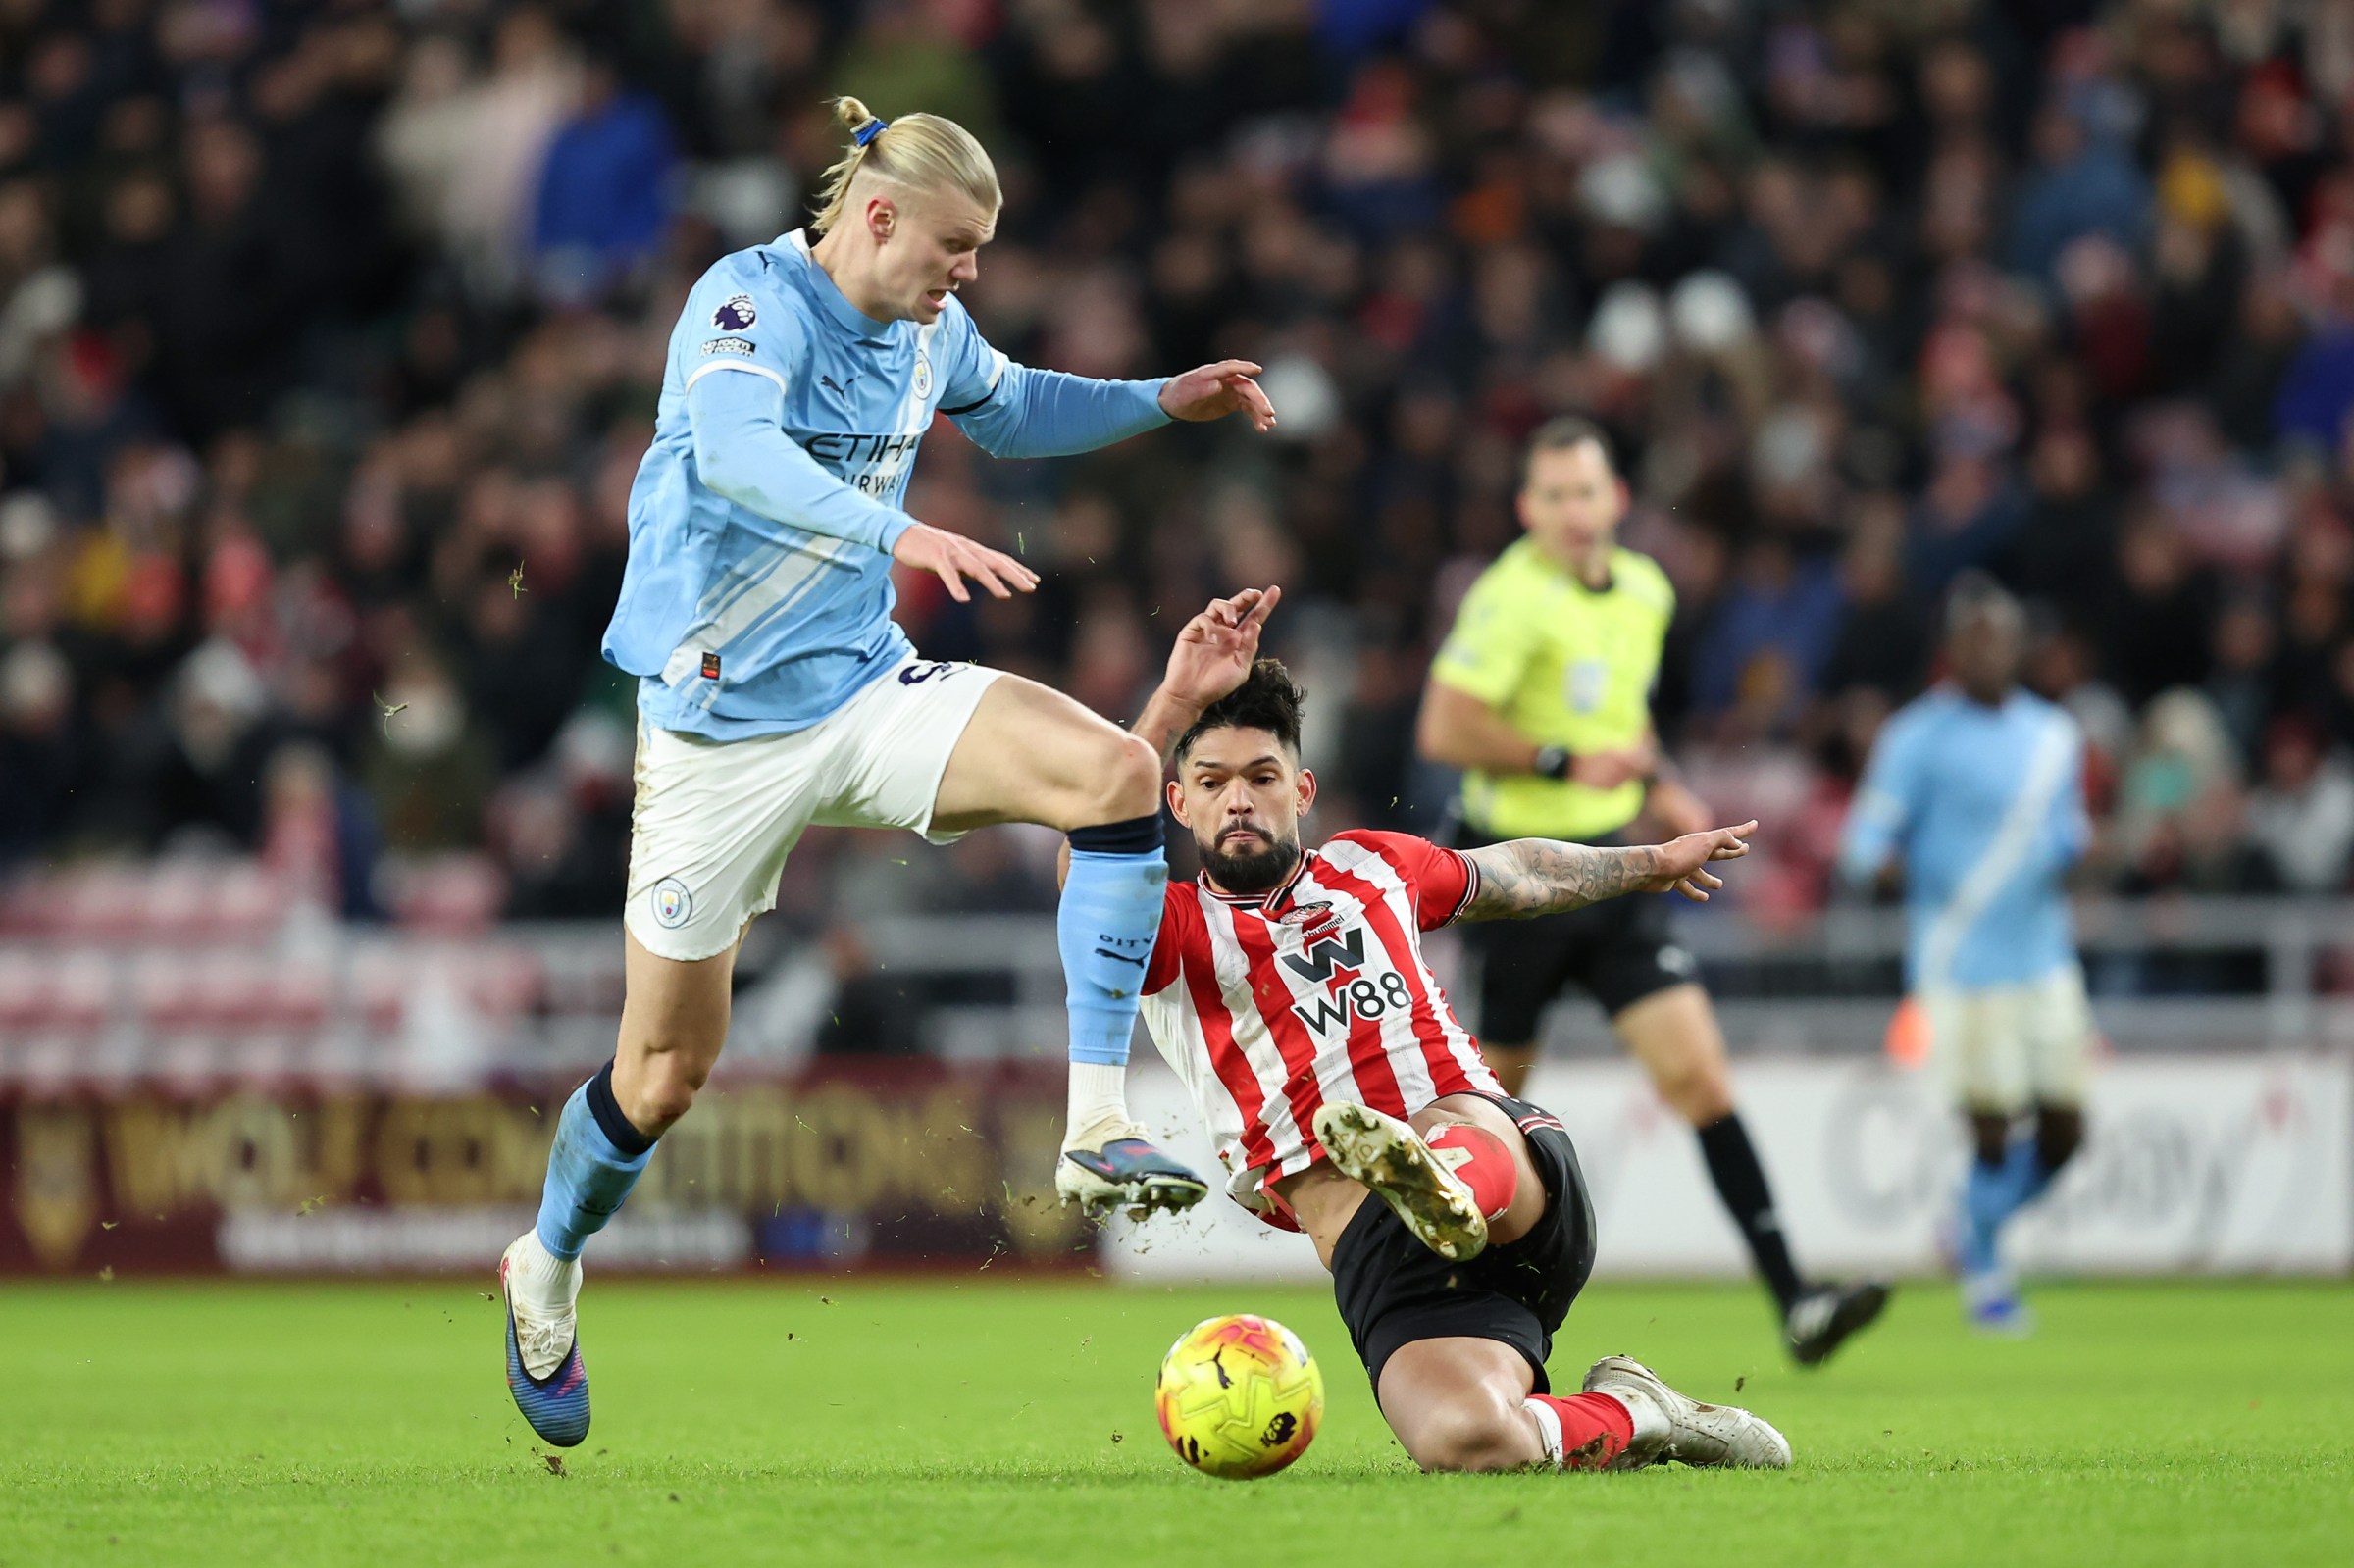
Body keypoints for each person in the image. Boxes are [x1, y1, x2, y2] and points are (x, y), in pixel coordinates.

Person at [500, 97, 1278, 1447]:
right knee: (667, 1069)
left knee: (1110, 773)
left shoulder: (931, 331)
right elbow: (739, 458)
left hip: (863, 688)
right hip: (715, 732)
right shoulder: (746, 303)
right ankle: (547, 1261)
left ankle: (1097, 1120)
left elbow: (1020, 405)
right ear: (876, 215)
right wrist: (901, 527)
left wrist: (1166, 398)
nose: (969, 273)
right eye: (957, 245)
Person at [1116, 587, 1790, 1474]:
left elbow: (1513, 870)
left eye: (1261, 778)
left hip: (1504, 1167)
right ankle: (1638, 1409)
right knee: (1468, 1442)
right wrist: (1167, 702)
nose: (1237, 800)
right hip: (1382, 1258)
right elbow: (1078, 864)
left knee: (1443, 1136)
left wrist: (1650, 863)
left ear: (1302, 791)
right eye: (1211, 783)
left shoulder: (1370, 865)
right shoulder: (1162, 927)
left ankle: (1438, 1182)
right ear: (1178, 801)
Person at [1416, 415, 1886, 1364]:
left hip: (1617, 876)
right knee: (1490, 1113)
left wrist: (1658, 783)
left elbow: (1620, 725)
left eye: (1587, 492)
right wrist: (1559, 757)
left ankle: (1797, 1302)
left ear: (1617, 500)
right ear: (1528, 510)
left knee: (1700, 1077)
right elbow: (1444, 728)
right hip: (1520, 877)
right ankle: (1442, 1314)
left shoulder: (1645, 591)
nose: (1574, 511)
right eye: (1554, 496)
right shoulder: (1510, 600)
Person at [1837, 574, 2092, 1335]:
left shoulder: (2055, 736)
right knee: (1989, 1128)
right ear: (1953, 648)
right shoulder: (1916, 736)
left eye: (2002, 637)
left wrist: (2085, 854)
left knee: (2065, 1130)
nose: (1989, 651)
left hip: (2044, 957)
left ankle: (1969, 1223)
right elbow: (1863, 844)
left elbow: (2068, 836)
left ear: (2018, 646)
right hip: (1957, 964)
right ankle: (1987, 1268)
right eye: (1975, 637)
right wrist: (1901, 866)